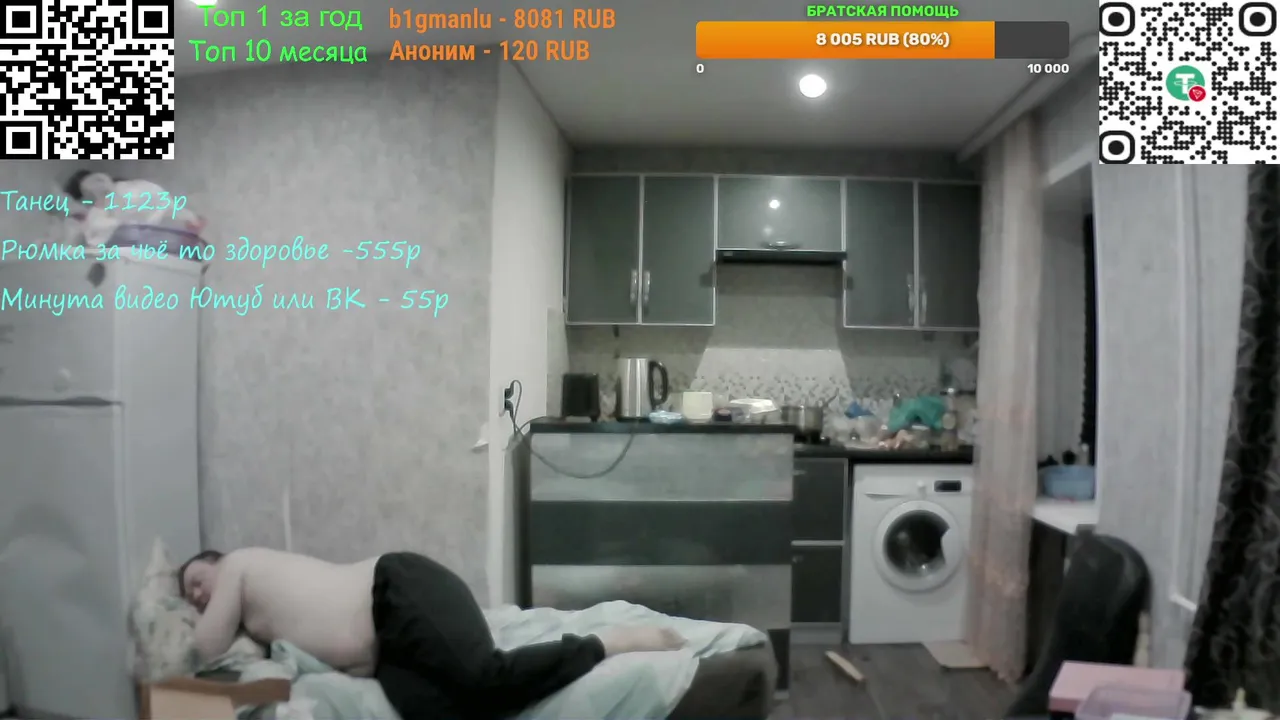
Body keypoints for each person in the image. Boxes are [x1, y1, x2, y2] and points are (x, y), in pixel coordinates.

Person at [179, 548, 685, 720]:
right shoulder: (252, 619)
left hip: (397, 589)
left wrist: (179, 612)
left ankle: (610, 642)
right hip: (387, 655)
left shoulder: (238, 565)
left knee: (486, 678)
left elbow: (202, 646)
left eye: (196, 581)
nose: (197, 596)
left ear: (216, 561)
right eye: (187, 595)